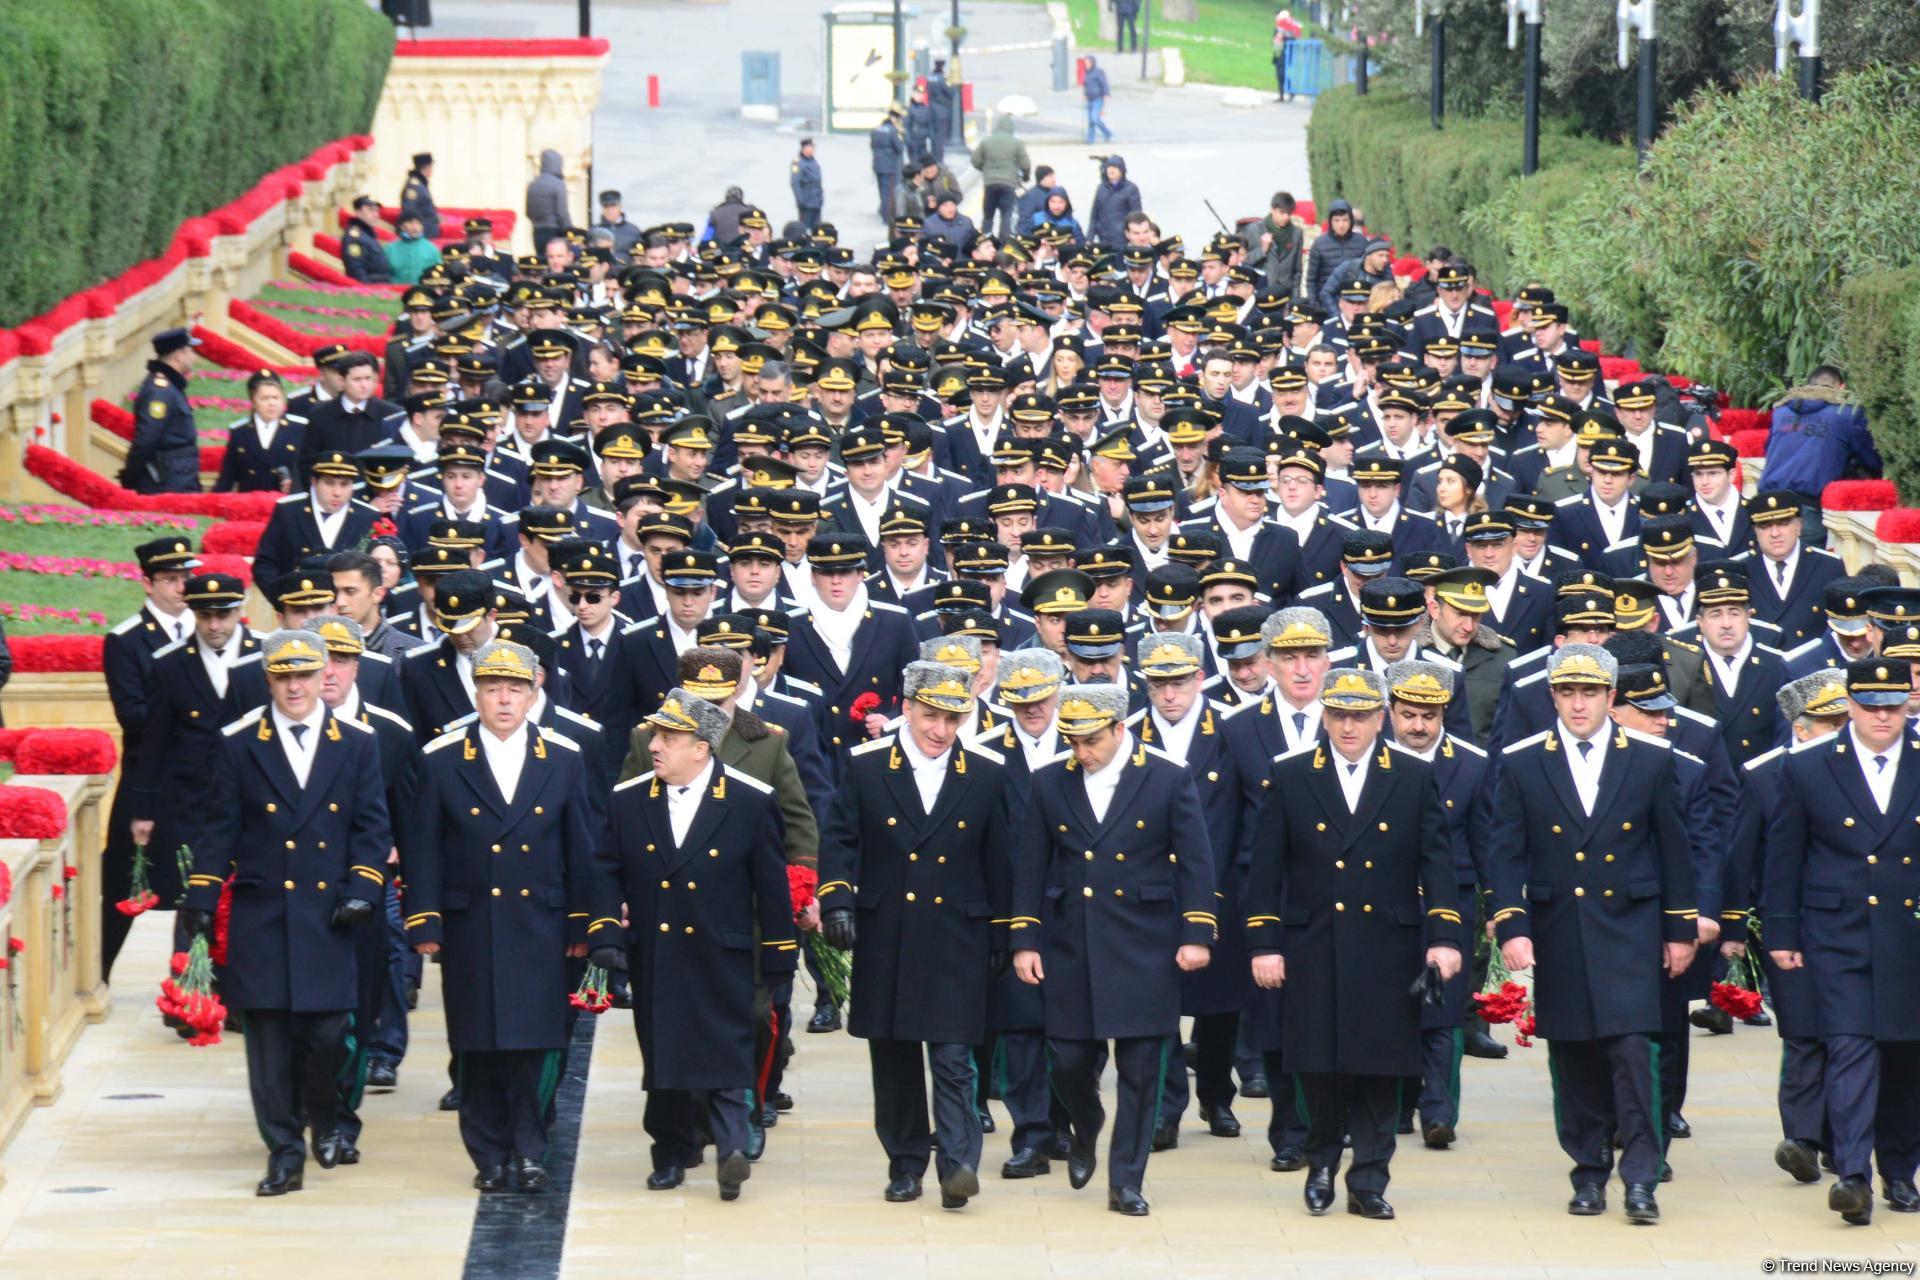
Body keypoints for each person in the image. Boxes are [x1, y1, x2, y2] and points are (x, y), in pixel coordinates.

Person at [1486, 643, 1696, 1223]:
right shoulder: (1524, 760)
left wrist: (1680, 928)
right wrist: (1511, 924)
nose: (1578, 705)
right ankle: (1588, 1170)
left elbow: (1674, 848)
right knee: (1574, 1055)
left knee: (1633, 1051)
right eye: (1567, 692)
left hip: (1630, 925)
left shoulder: (1651, 757)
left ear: (1610, 697)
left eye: (1590, 693)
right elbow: (1504, 851)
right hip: (1561, 927)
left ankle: (1640, 1179)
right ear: (1552, 696)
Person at [1245, 667, 1463, 1219]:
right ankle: (1320, 1160)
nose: (1349, 727)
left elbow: (1437, 862)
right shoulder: (1291, 774)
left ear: (1381, 718)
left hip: (1386, 944)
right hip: (1313, 940)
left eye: (1361, 716)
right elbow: (1265, 869)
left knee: (1380, 1065)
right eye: (1339, 714)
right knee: (1317, 1063)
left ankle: (1369, 1178)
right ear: (1324, 715)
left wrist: (1444, 937)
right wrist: (1264, 943)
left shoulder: (1412, 775)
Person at [185, 629, 390, 1195]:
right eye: (283, 676)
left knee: (329, 1034)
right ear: (268, 679)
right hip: (265, 912)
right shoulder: (238, 742)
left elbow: (372, 827)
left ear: (324, 673)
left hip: (330, 916)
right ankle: (283, 1151)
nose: (295, 686)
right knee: (269, 1044)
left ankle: (325, 1114)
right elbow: (217, 828)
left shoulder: (357, 742)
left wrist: (362, 888)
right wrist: (200, 899)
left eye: (304, 674)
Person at [405, 639, 607, 1193]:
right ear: (476, 693)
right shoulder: (442, 758)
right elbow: (424, 846)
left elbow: (580, 848)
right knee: (476, 1044)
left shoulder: (563, 757)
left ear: (533, 691)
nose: (503, 700)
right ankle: (488, 1153)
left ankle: (531, 1147)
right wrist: (424, 921)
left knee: (536, 1044)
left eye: (514, 689)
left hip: (541, 923)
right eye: (492, 688)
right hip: (472, 922)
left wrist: (583, 924)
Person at [1010, 682, 1217, 1216]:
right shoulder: (1049, 781)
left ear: (1120, 730)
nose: (1082, 752)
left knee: (1142, 1071)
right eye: (1073, 742)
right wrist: (1024, 939)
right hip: (1072, 940)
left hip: (1145, 941)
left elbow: (1196, 859)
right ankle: (1086, 1123)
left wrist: (1197, 934)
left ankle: (1126, 1179)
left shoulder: (1168, 776)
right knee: (1070, 1060)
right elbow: (1030, 865)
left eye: (1092, 741)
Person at [819, 661, 1012, 1208]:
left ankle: (958, 1164)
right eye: (930, 716)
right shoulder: (865, 766)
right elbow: (840, 839)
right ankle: (905, 1162)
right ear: (906, 709)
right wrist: (836, 900)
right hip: (890, 931)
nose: (940, 730)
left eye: (953, 719)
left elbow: (1002, 858)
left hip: (958, 934)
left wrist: (1003, 931)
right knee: (896, 1056)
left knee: (954, 1056)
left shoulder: (987, 771)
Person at [600, 687, 796, 1201]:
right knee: (664, 1054)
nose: (656, 745)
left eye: (669, 736)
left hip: (724, 951)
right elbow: (606, 870)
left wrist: (779, 954)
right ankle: (669, 1152)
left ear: (701, 748)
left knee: (728, 1049)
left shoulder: (750, 801)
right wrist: (604, 932)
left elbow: (771, 884)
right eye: (657, 734)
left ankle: (732, 1150)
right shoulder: (628, 800)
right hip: (658, 952)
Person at [1765, 657, 1920, 1225]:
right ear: (1850, 705)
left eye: (1893, 704)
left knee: (1906, 1058)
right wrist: (1780, 929)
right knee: (1851, 1049)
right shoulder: (1809, 768)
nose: (1882, 716)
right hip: (1838, 932)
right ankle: (1853, 1174)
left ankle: (1899, 1171)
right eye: (1870, 705)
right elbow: (1785, 854)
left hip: (1910, 935)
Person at [1764, 365, 1881, 549]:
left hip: (1768, 502)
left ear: (1809, 385)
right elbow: (1873, 459)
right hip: (1808, 507)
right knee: (1806, 569)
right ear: (1841, 387)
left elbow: (1768, 449)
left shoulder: (1781, 412)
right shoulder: (1845, 414)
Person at [123, 327, 202, 494]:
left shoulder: (170, 387)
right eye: (190, 351)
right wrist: (131, 477)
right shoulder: (160, 391)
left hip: (179, 475)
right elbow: (146, 439)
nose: (194, 357)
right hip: (166, 481)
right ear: (179, 355)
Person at [214, 370, 306, 493]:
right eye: (265, 398)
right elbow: (227, 477)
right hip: (250, 503)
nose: (272, 403)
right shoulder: (240, 432)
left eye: (276, 397)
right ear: (253, 402)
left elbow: (307, 470)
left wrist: (295, 486)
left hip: (285, 503)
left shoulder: (299, 428)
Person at [970, 116, 1030, 242]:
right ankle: (1004, 241)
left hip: (990, 183)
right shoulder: (1016, 143)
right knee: (1006, 215)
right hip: (1008, 183)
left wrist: (985, 169)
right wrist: (1025, 176)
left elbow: (975, 160)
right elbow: (1025, 164)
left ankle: (986, 240)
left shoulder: (986, 141)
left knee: (988, 215)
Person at [1304, 198, 1366, 307]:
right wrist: (1314, 305)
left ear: (1351, 220)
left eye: (1345, 220)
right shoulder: (1319, 244)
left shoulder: (1361, 242)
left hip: (1356, 302)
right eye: (1336, 220)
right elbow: (1312, 281)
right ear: (1330, 221)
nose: (1341, 225)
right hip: (1327, 304)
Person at [1245, 192, 1303, 299]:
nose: (1286, 217)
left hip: (1285, 293)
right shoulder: (1255, 230)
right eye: (1282, 212)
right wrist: (1262, 250)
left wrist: (1296, 298)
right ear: (1272, 210)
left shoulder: (1296, 233)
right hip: (1262, 291)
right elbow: (1244, 261)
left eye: (1289, 213)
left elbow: (1297, 269)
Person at [526, 149, 573, 255]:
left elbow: (528, 212)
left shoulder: (532, 185)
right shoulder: (558, 184)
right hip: (555, 232)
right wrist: (571, 232)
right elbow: (562, 213)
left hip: (537, 232)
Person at [1088, 156, 1141, 249]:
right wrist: (1090, 237)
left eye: (1115, 168)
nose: (1111, 171)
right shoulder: (1101, 188)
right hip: (1103, 239)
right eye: (1109, 167)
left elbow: (1136, 217)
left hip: (1122, 241)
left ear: (1122, 170)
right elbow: (1094, 215)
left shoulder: (1131, 189)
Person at [340, 197, 394, 283]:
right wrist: (368, 291)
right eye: (370, 210)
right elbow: (356, 270)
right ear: (358, 213)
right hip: (370, 290)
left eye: (377, 211)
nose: (376, 215)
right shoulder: (354, 237)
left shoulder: (367, 234)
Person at [870, 105, 908, 225]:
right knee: (888, 192)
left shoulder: (876, 129)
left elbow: (872, 146)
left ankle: (882, 210)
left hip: (877, 164)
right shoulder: (892, 131)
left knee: (881, 190)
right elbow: (899, 148)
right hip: (889, 166)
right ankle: (886, 216)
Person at [386, 209, 440, 284]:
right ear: (402, 226)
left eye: (418, 223)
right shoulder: (390, 249)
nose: (415, 227)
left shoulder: (431, 248)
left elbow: (439, 272)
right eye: (410, 223)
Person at [592, 190, 643, 262]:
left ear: (620, 206)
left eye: (613, 206)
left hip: (626, 271)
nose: (610, 210)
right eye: (606, 207)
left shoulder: (633, 230)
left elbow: (639, 256)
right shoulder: (594, 231)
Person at [400, 152, 440, 240]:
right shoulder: (414, 187)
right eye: (431, 167)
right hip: (422, 233)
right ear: (426, 167)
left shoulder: (420, 184)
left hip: (428, 230)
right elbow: (410, 212)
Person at [789, 139, 823, 231]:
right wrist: (801, 201)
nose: (812, 150)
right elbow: (795, 183)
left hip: (817, 202)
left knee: (817, 229)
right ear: (804, 148)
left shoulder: (813, 161)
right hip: (806, 203)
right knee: (804, 229)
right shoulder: (798, 163)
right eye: (810, 147)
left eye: (813, 147)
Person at [1273, 6, 1303, 101]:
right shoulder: (1283, 28)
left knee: (1282, 74)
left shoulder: (1286, 31)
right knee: (1283, 74)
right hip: (1282, 53)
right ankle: (1287, 93)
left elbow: (1278, 41)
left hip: (1285, 54)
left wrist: (1280, 37)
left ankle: (1287, 93)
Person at [1083, 56, 1113, 146]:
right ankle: (1090, 138)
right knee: (1091, 121)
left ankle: (1107, 132)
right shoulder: (1086, 73)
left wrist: (1106, 94)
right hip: (1089, 99)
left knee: (1094, 118)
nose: (1086, 64)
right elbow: (1086, 85)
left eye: (1088, 62)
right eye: (1085, 62)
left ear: (1092, 62)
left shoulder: (1098, 72)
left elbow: (1104, 83)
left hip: (1098, 98)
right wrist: (1085, 94)